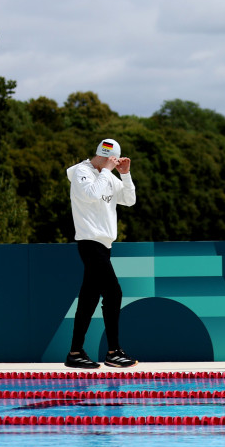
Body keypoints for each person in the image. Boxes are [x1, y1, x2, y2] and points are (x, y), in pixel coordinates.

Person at [64, 138, 139, 368]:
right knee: (114, 293)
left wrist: (125, 175)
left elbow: (129, 200)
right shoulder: (80, 172)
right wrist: (107, 170)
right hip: (89, 243)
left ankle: (75, 353)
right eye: (113, 160)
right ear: (108, 157)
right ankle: (113, 351)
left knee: (89, 299)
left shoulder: (108, 176)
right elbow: (91, 195)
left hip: (104, 246)